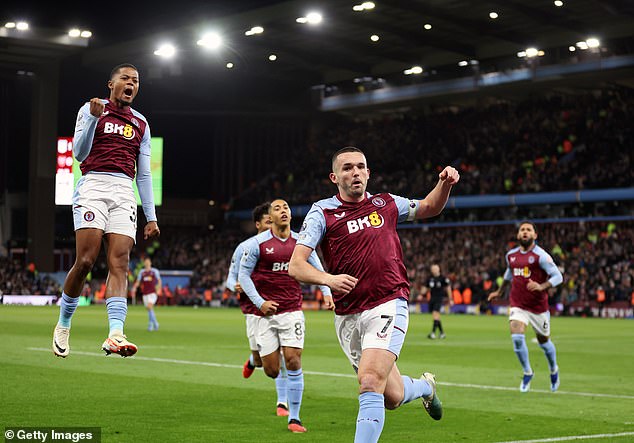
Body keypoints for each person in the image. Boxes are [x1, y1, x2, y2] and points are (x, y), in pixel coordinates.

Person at [289, 147, 459, 443]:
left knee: (368, 382)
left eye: (360, 167)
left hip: (388, 302)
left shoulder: (388, 203)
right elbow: (296, 265)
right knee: (390, 396)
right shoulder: (323, 212)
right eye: (347, 168)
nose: (355, 172)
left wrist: (444, 183)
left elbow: (430, 206)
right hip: (348, 315)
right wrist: (327, 279)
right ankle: (425, 388)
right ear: (334, 177)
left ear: (368, 173)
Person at [52, 63, 160, 359]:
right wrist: (92, 120)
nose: (131, 83)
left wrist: (150, 216)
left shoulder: (141, 123)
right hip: (93, 185)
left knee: (120, 263)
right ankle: (63, 323)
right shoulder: (90, 109)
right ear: (110, 84)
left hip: (124, 190)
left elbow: (145, 174)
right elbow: (79, 153)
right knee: (86, 260)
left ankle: (115, 333)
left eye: (135, 80)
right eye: (125, 78)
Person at [238, 199, 332, 434]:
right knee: (271, 369)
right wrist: (260, 302)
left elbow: (316, 266)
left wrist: (326, 291)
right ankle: (255, 363)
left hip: (292, 311)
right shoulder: (257, 244)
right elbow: (244, 275)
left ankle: (295, 417)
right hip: (265, 316)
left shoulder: (301, 242)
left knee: (293, 360)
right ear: (270, 217)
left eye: (286, 208)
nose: (283, 211)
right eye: (278, 208)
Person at [225, 202, 291, 417]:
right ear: (258, 224)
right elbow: (230, 279)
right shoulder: (245, 247)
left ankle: (282, 402)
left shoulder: (284, 245)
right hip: (253, 311)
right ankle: (253, 361)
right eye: (267, 221)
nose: (272, 223)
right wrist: (234, 286)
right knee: (263, 360)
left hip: (278, 306)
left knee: (282, 354)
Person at [487, 221, 563, 393]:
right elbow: (509, 274)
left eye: (529, 230)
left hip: (538, 308)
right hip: (518, 304)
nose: (525, 232)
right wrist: (499, 292)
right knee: (516, 336)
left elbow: (558, 276)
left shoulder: (541, 256)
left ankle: (553, 370)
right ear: (518, 235)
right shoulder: (511, 256)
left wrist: (542, 286)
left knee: (544, 342)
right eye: (522, 230)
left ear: (535, 235)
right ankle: (528, 372)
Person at [131, 257, 162, 331]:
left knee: (149, 306)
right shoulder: (142, 272)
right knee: (149, 309)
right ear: (144, 263)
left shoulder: (154, 271)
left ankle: (152, 325)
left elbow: (159, 281)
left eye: (148, 262)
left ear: (150, 263)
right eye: (146, 262)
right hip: (145, 293)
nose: (147, 263)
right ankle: (154, 323)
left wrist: (158, 289)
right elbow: (138, 281)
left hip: (152, 293)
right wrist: (134, 288)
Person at [423, 264, 451, 339]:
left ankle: (433, 333)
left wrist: (450, 299)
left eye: (435, 268)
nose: (434, 270)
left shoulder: (443, 278)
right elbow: (425, 288)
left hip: (439, 299)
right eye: (433, 269)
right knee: (436, 316)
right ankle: (442, 333)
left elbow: (448, 288)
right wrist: (421, 293)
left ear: (439, 269)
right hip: (432, 299)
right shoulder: (430, 279)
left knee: (435, 314)